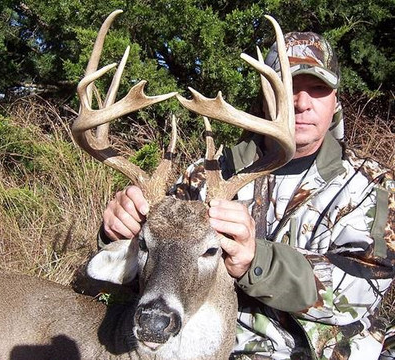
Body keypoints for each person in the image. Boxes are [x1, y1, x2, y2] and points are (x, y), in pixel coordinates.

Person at [98, 32, 395, 359]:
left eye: (318, 89)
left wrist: (257, 262)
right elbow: (159, 270)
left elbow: (363, 286)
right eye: (287, 88)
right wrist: (122, 229)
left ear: (335, 99)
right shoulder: (207, 174)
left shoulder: (371, 185)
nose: (301, 102)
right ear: (264, 97)